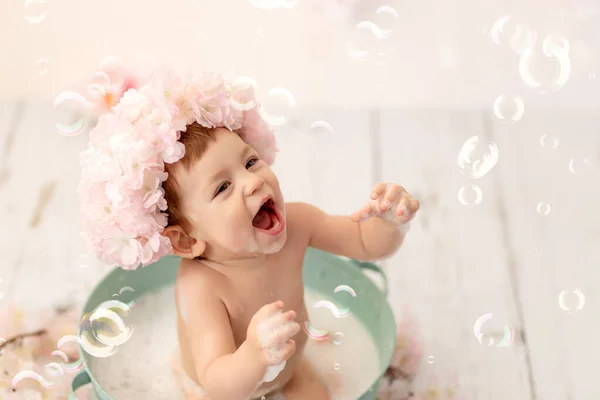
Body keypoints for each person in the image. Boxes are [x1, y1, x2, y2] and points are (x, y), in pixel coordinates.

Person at [77, 67, 419, 400]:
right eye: (223, 186)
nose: (253, 181)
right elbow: (217, 380)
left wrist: (390, 223)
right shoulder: (203, 285)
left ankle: (293, 376)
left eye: (250, 162)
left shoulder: (299, 222)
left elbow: (364, 243)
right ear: (185, 240)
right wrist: (254, 356)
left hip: (290, 362)